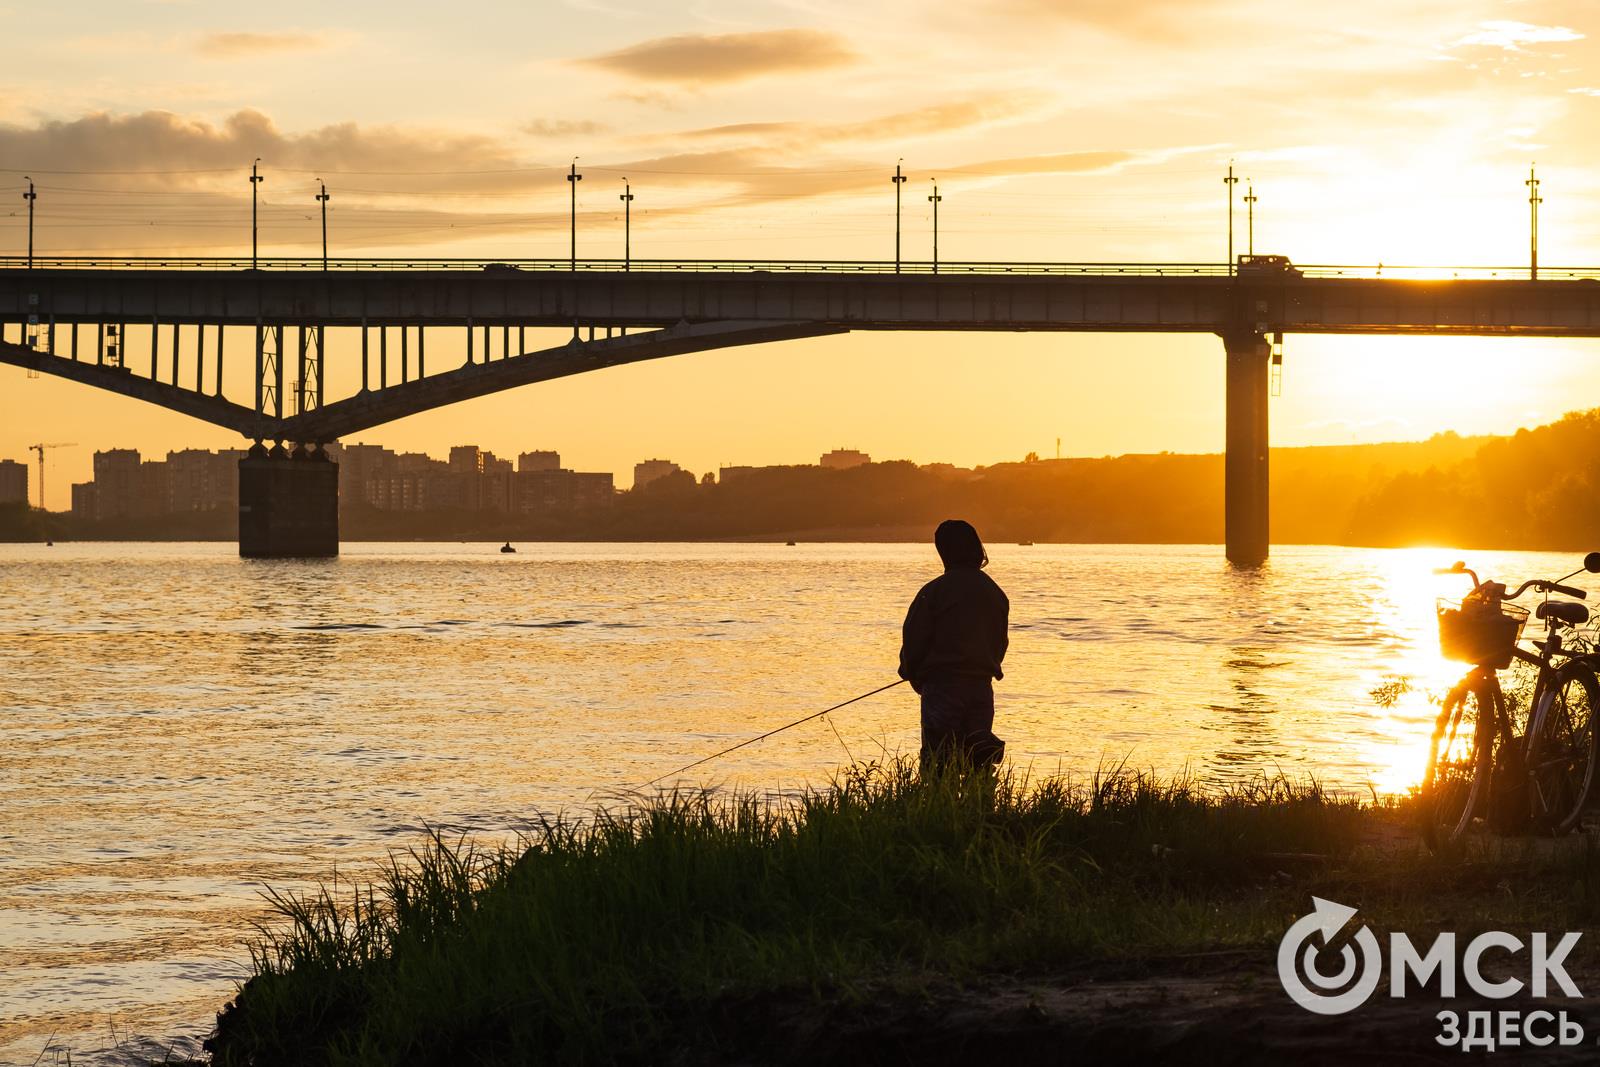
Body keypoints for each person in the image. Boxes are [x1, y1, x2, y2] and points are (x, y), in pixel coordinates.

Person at [898, 519, 1009, 775]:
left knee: (937, 762)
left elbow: (913, 639)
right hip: (981, 688)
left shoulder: (935, 591)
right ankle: (981, 810)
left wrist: (911, 673)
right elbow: (1000, 644)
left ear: (944, 551)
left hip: (942, 689)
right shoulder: (995, 592)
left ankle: (937, 811)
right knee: (979, 760)